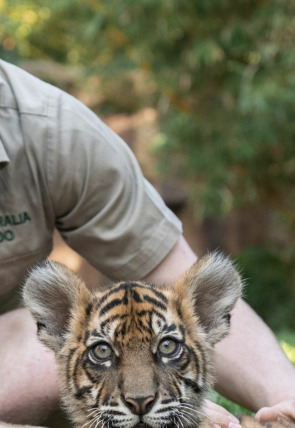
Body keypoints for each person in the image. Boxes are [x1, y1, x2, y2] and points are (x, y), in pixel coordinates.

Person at [0, 59, 294, 428]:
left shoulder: (51, 128)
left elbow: (168, 268)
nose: (139, 394)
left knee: (37, 361)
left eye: (168, 348)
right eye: (103, 352)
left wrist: (288, 397)